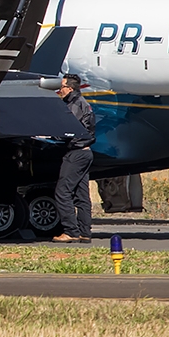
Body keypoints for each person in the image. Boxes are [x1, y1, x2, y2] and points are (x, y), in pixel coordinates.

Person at [51, 72, 97, 242]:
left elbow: (67, 130)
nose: (59, 90)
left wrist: (48, 135)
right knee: (82, 194)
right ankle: (85, 232)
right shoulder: (83, 103)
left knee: (63, 191)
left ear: (69, 88)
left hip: (76, 154)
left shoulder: (74, 105)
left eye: (62, 87)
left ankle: (71, 231)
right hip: (86, 153)